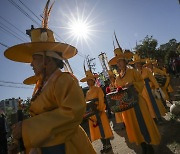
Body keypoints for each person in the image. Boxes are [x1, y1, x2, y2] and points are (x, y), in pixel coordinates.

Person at [4, 25, 96, 154]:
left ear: (47, 58)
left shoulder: (65, 80)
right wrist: (19, 141)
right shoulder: (41, 86)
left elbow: (72, 113)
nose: (31, 64)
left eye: (34, 58)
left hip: (66, 146)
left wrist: (26, 129)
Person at [108, 49, 161, 154]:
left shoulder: (133, 72)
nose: (118, 64)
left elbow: (141, 82)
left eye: (120, 61)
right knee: (134, 126)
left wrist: (133, 84)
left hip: (137, 102)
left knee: (143, 123)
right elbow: (118, 92)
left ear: (125, 61)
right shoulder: (117, 78)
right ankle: (142, 146)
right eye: (117, 62)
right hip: (127, 107)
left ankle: (149, 144)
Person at [80, 70, 113, 153]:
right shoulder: (87, 92)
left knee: (103, 128)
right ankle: (104, 145)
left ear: (93, 80)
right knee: (97, 130)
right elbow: (86, 103)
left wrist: (100, 109)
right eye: (87, 81)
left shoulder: (98, 89)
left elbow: (101, 100)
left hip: (99, 111)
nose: (88, 82)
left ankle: (108, 145)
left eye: (89, 80)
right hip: (92, 114)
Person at [129, 54, 167, 124]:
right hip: (142, 91)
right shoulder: (135, 73)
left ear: (140, 63)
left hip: (150, 89)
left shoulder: (146, 70)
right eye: (135, 63)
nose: (137, 65)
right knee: (147, 105)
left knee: (154, 103)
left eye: (138, 63)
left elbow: (152, 79)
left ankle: (159, 117)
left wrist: (157, 87)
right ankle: (153, 119)